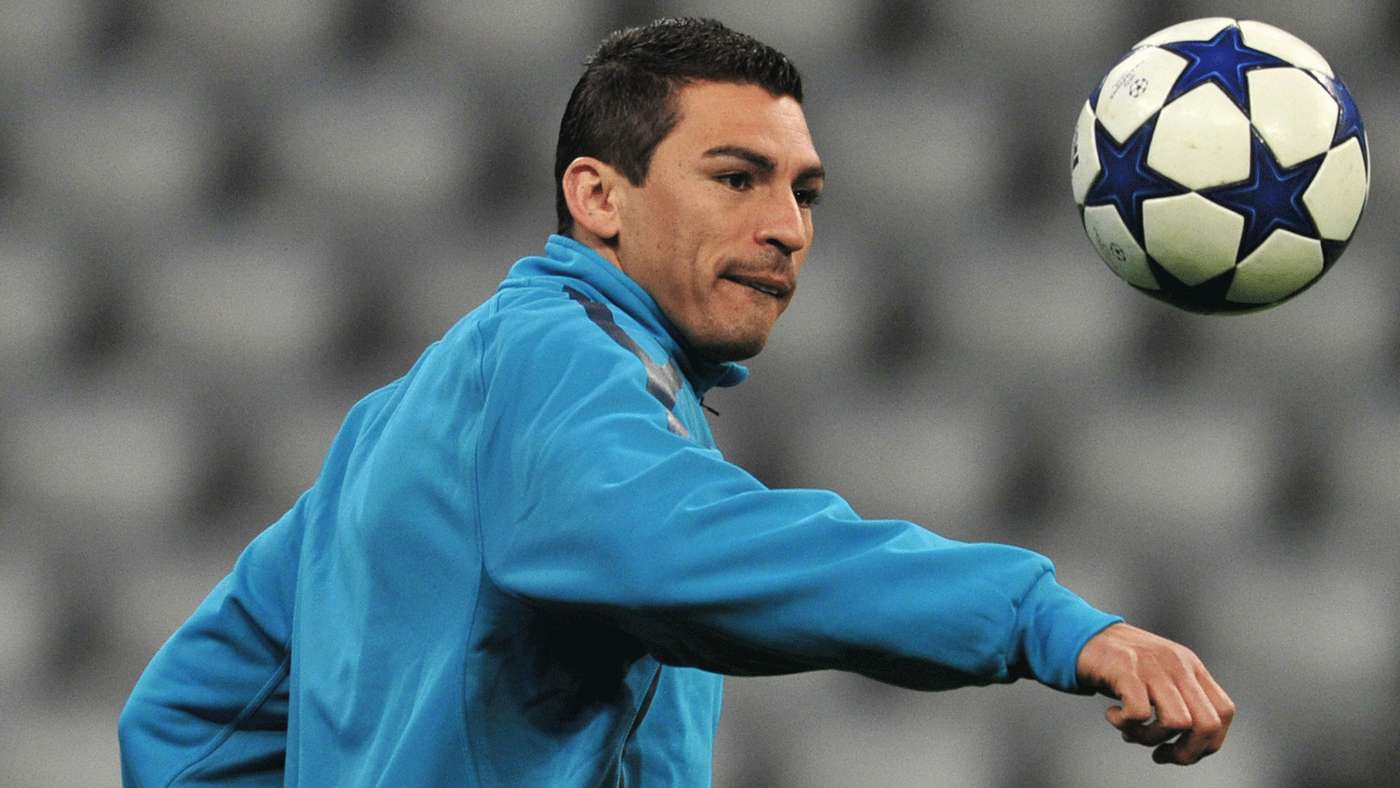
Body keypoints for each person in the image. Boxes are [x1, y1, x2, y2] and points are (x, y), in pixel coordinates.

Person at [118, 17, 1234, 785]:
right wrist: (1037, 616)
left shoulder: (418, 410)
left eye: (804, 192)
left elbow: (186, 721)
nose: (787, 228)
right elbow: (661, 541)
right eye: (736, 178)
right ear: (597, 197)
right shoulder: (557, 359)